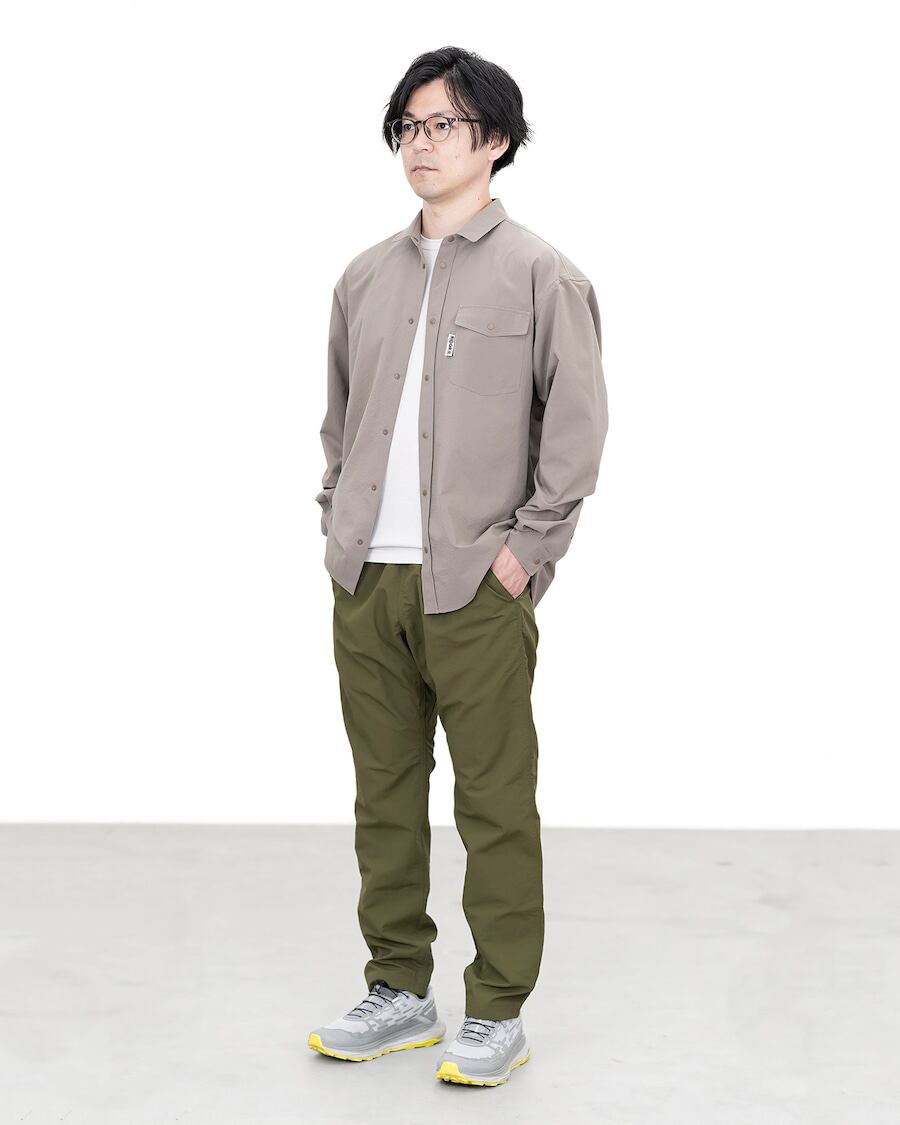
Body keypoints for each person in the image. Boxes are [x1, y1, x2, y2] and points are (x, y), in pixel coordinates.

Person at [308, 46, 609, 1087]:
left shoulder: (543, 274)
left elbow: (575, 436)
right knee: (384, 796)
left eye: (442, 124)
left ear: (497, 139)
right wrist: (338, 530)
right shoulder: (362, 278)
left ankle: (498, 1008)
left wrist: (523, 558)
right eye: (409, 125)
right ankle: (399, 988)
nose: (420, 142)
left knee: (494, 801)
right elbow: (340, 427)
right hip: (369, 585)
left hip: (477, 588)